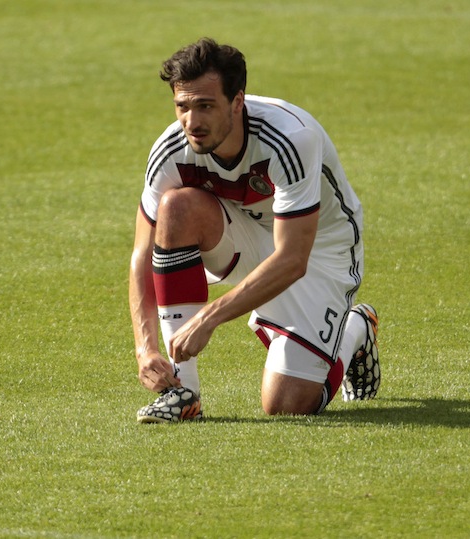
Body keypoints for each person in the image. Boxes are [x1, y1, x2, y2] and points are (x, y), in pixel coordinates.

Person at [129, 38, 380, 423]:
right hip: (247, 235)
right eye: (182, 106)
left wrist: (209, 317)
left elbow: (293, 259)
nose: (192, 122)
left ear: (238, 101)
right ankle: (183, 393)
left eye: (206, 106)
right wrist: (145, 349)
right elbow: (142, 256)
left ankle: (354, 330)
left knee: (286, 404)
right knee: (176, 207)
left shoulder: (290, 139)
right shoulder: (171, 149)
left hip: (319, 251)